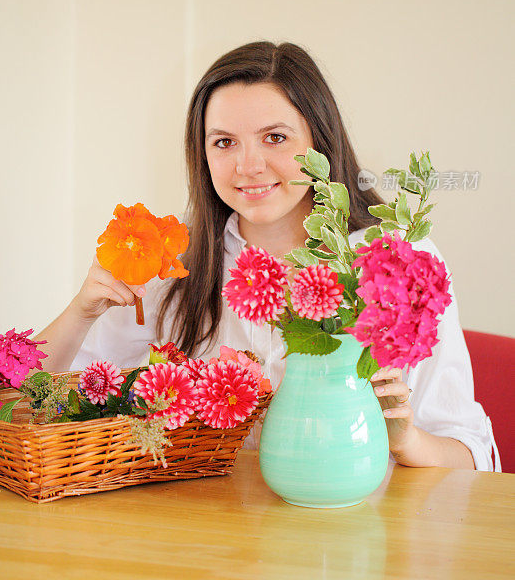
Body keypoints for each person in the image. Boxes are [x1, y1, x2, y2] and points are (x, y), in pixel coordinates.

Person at [37, 42, 500, 471]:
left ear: (318, 140)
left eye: (274, 138)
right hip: (215, 535)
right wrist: (81, 311)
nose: (248, 165)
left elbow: (470, 454)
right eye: (224, 142)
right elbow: (32, 398)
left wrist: (406, 441)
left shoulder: (400, 260)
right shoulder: (173, 262)